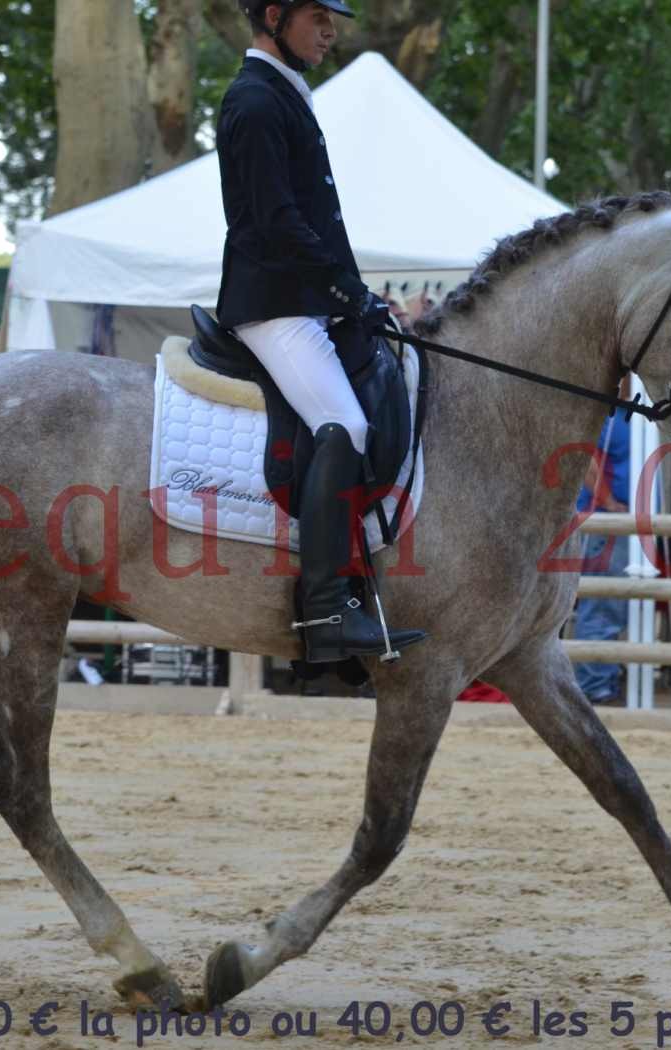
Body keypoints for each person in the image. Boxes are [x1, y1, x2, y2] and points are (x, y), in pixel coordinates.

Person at [216, 0, 424, 663]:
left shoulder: (284, 93)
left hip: (306, 301)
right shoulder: (254, 100)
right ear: (275, 13)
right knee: (344, 425)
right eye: (317, 16)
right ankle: (325, 610)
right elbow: (275, 223)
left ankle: (359, 590)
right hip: (275, 304)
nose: (331, 30)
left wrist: (355, 298)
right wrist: (345, 291)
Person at [571, 408, 631, 704]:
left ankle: (601, 680)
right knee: (602, 606)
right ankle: (594, 686)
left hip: (628, 523)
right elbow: (584, 458)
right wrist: (609, 502)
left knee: (615, 606)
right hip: (609, 522)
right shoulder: (605, 415)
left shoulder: (635, 415)